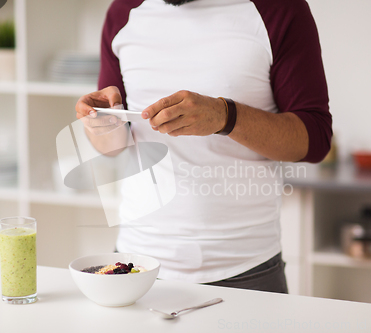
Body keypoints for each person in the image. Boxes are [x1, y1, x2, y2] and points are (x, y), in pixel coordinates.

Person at [75, 0, 332, 293]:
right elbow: (112, 147)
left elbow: (315, 140)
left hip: (247, 270)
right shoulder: (123, 12)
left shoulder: (280, 9)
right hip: (137, 264)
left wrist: (226, 116)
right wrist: (103, 125)